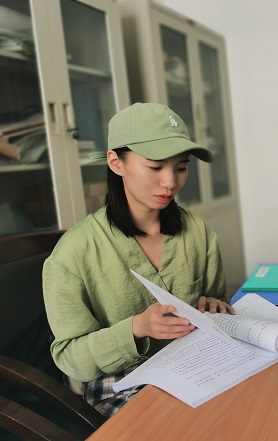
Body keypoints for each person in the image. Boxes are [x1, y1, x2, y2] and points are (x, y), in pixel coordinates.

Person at [42, 102, 234, 418]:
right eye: (155, 167)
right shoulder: (73, 253)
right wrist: (136, 328)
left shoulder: (197, 230)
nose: (170, 182)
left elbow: (217, 297)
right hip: (120, 380)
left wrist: (215, 304)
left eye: (181, 168)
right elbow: (70, 358)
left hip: (194, 361)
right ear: (115, 162)